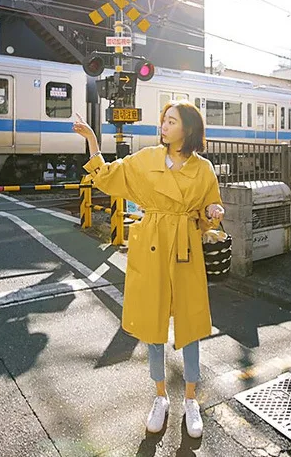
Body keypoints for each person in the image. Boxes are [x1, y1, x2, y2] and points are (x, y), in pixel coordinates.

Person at [72, 101, 224, 438]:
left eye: (171, 121)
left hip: (185, 245)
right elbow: (108, 177)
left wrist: (213, 210)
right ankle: (160, 397)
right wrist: (93, 141)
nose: (164, 127)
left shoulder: (204, 169)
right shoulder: (147, 159)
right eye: (163, 121)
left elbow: (210, 207)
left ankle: (191, 400)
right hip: (152, 243)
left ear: (188, 129)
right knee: (152, 323)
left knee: (191, 321)